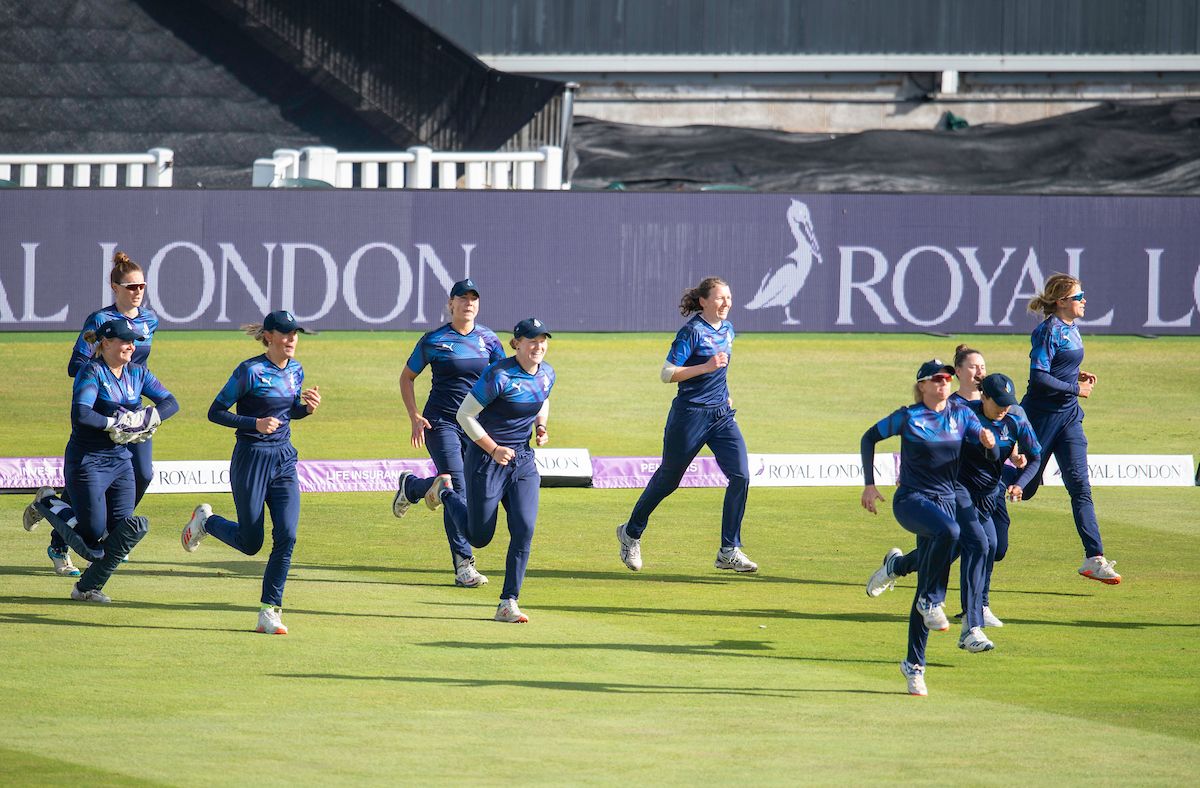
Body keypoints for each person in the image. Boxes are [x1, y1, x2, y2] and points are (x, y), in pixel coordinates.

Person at [179, 310, 321, 635]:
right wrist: (253, 423)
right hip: (250, 458)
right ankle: (206, 522)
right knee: (250, 543)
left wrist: (307, 409)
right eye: (285, 334)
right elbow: (215, 412)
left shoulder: (296, 370)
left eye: (295, 334)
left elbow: (288, 412)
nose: (292, 340)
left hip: (284, 459)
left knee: (287, 535)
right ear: (269, 336)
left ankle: (269, 611)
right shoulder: (250, 371)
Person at [860, 360, 997, 696]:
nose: (944, 383)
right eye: (937, 379)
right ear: (921, 385)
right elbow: (869, 437)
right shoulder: (908, 416)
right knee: (951, 534)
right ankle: (930, 600)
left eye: (947, 378)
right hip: (911, 500)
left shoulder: (961, 415)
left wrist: (990, 445)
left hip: (946, 502)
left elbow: (989, 455)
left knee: (934, 565)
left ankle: (914, 665)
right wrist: (868, 484)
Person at [22, 318, 178, 602]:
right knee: (91, 537)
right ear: (105, 343)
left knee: (121, 532)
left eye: (133, 342)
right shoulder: (91, 372)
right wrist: (115, 423)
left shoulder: (138, 373)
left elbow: (171, 402)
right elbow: (81, 414)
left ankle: (87, 588)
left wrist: (146, 418)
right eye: (124, 341)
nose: (131, 346)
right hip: (88, 460)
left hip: (120, 461)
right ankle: (46, 501)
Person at [616, 277, 756, 575]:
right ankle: (630, 532)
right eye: (720, 298)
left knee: (741, 475)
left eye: (729, 298)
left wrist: (725, 395)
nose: (726, 303)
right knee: (668, 480)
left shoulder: (728, 330)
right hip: (689, 416)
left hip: (721, 415)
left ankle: (728, 550)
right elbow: (667, 374)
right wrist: (705, 367)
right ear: (704, 301)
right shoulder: (691, 332)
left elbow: (720, 371)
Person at [422, 318, 555, 624]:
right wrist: (493, 448)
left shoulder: (547, 372)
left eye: (543, 340)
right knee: (479, 537)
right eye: (532, 341)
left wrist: (541, 425)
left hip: (522, 461)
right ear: (516, 344)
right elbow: (464, 415)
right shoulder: (498, 374)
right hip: (487, 460)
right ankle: (444, 491)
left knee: (524, 528)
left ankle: (509, 601)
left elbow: (543, 396)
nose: (539, 346)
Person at [44, 251, 159, 576]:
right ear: (115, 286)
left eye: (142, 285)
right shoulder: (99, 320)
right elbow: (75, 366)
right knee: (87, 481)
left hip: (132, 410)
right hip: (101, 410)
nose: (138, 291)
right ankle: (59, 541)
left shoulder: (150, 320)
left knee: (144, 473)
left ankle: (109, 531)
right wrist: (104, 379)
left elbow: (139, 362)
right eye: (131, 286)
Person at [392, 278, 505, 589]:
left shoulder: (489, 339)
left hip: (475, 425)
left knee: (457, 488)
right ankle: (463, 566)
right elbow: (407, 378)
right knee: (457, 487)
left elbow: (501, 379)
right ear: (451, 304)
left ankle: (412, 488)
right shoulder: (434, 340)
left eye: (473, 298)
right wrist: (414, 416)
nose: (468, 303)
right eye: (462, 298)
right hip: (440, 422)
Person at [1017, 274, 1120, 584]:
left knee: (1080, 487)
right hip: (1041, 418)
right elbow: (1038, 377)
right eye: (1079, 296)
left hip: (1068, 419)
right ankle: (977, 491)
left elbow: (1058, 368)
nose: (1084, 300)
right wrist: (1074, 386)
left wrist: (1074, 373)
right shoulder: (1048, 331)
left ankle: (1095, 558)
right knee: (1027, 488)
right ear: (1061, 302)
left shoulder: (1071, 329)